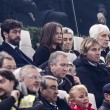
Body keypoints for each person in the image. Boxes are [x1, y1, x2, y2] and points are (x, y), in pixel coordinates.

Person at [73, 37, 110, 108]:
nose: (98, 53)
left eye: (99, 49)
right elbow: (94, 97)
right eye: (94, 50)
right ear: (84, 52)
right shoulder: (81, 71)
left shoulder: (101, 66)